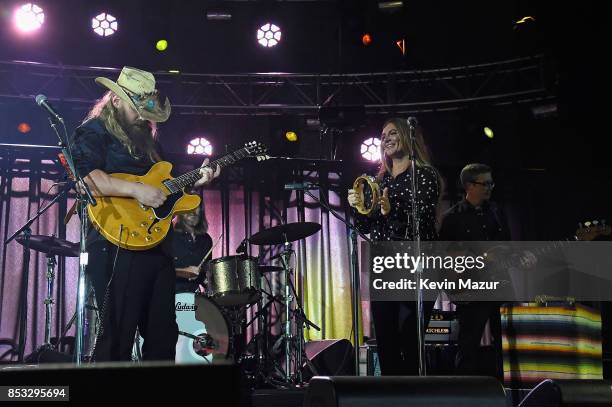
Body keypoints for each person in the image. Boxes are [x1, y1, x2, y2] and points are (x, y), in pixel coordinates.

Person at [70, 66, 220, 362]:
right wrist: (135, 191)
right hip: (115, 242)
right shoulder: (93, 132)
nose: (143, 116)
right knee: (117, 334)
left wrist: (197, 182)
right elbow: (85, 178)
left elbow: (160, 193)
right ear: (115, 100)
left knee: (163, 334)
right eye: (137, 108)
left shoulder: (149, 142)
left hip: (155, 245)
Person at [347, 117, 442, 375]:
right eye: (382, 134)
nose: (385, 138)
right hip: (385, 267)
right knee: (387, 343)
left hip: (417, 267)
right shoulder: (380, 182)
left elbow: (422, 224)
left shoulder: (424, 175)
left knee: (410, 342)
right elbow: (366, 228)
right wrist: (358, 206)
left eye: (392, 133)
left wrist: (392, 213)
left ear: (407, 136)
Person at [438, 163, 510, 377]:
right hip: (472, 290)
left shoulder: (497, 212)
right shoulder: (452, 217)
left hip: (500, 285)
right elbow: (446, 261)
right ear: (469, 185)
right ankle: (465, 395)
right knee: (468, 346)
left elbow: (508, 246)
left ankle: (506, 391)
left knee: (505, 345)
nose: (490, 187)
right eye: (485, 183)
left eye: (491, 183)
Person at [173, 203, 213, 293]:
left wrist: (211, 286)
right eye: (189, 207)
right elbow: (157, 270)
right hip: (170, 294)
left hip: (193, 295)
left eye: (197, 207)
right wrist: (183, 271)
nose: (193, 212)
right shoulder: (169, 237)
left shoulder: (206, 239)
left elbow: (205, 273)